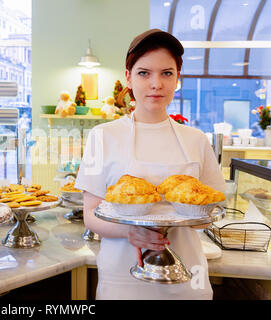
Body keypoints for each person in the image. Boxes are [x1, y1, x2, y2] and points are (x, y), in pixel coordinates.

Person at [75, 29, 226, 300]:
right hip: (123, 276)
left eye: (167, 73)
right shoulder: (103, 136)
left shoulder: (196, 139)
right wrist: (130, 231)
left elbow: (211, 211)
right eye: (144, 73)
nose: (156, 83)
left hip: (187, 277)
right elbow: (91, 214)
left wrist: (186, 217)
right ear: (128, 78)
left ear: (177, 78)